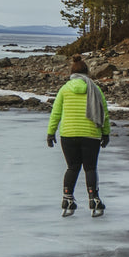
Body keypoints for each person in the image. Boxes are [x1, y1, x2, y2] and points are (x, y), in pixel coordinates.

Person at [47, 55, 110, 217]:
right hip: (90, 134)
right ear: (87, 72)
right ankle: (94, 200)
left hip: (68, 135)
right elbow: (104, 112)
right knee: (90, 168)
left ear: (72, 72)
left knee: (72, 167)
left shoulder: (65, 89)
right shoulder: (95, 89)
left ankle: (67, 200)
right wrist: (106, 133)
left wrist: (50, 132)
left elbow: (56, 112)